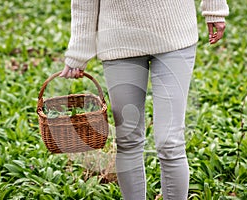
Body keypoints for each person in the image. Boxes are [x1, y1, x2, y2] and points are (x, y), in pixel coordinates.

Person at [60, 0, 229, 199]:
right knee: (128, 139)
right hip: (119, 39)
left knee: (170, 143)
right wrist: (79, 49)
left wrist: (214, 9)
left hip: (175, 31)